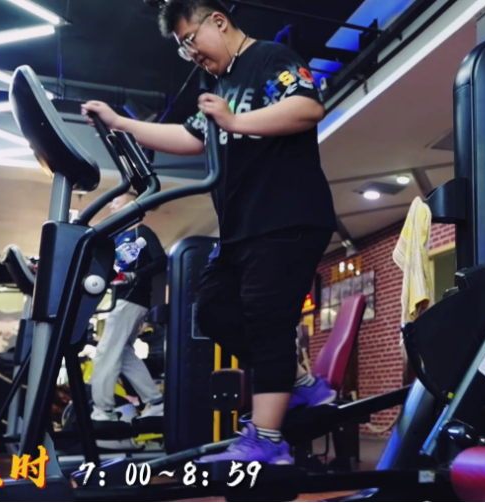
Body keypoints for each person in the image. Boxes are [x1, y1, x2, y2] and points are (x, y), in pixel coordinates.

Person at [81, 0, 337, 465]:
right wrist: (120, 123)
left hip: (288, 216)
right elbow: (191, 137)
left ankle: (268, 440)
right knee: (215, 311)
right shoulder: (221, 84)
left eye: (190, 40)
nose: (191, 53)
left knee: (265, 319)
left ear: (217, 21)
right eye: (183, 48)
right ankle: (300, 384)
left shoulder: (269, 58)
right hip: (242, 228)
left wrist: (235, 121)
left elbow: (307, 106)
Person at [90, 192, 167, 424]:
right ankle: (156, 402)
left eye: (117, 203)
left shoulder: (141, 232)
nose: (112, 207)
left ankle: (103, 410)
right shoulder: (118, 237)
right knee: (123, 353)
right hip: (120, 299)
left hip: (131, 299)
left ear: (131, 206)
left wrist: (136, 275)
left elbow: (161, 261)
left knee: (106, 352)